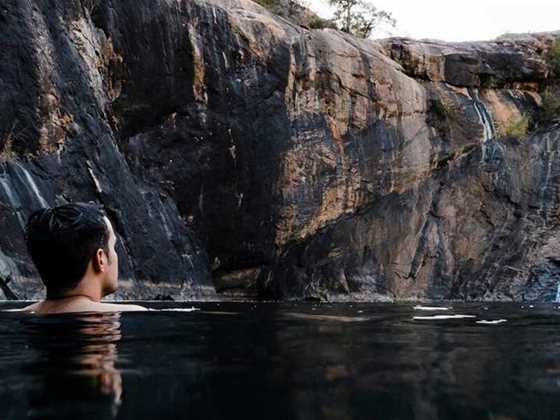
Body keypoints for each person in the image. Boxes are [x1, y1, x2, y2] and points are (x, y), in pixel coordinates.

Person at [19, 202, 147, 314]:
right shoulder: (135, 314)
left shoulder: (18, 314)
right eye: (114, 247)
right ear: (100, 258)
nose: (115, 254)